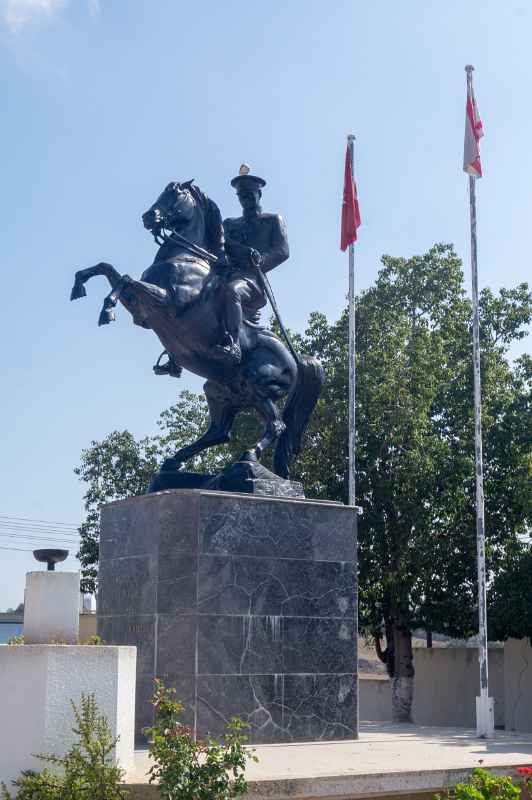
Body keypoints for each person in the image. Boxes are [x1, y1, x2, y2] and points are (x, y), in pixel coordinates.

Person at [215, 165, 289, 364]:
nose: (244, 198)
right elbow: (219, 248)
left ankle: (234, 344)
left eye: (248, 194)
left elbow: (283, 251)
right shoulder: (230, 225)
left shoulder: (273, 221)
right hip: (227, 274)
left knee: (232, 291)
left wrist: (260, 259)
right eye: (241, 195)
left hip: (252, 281)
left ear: (259, 194)